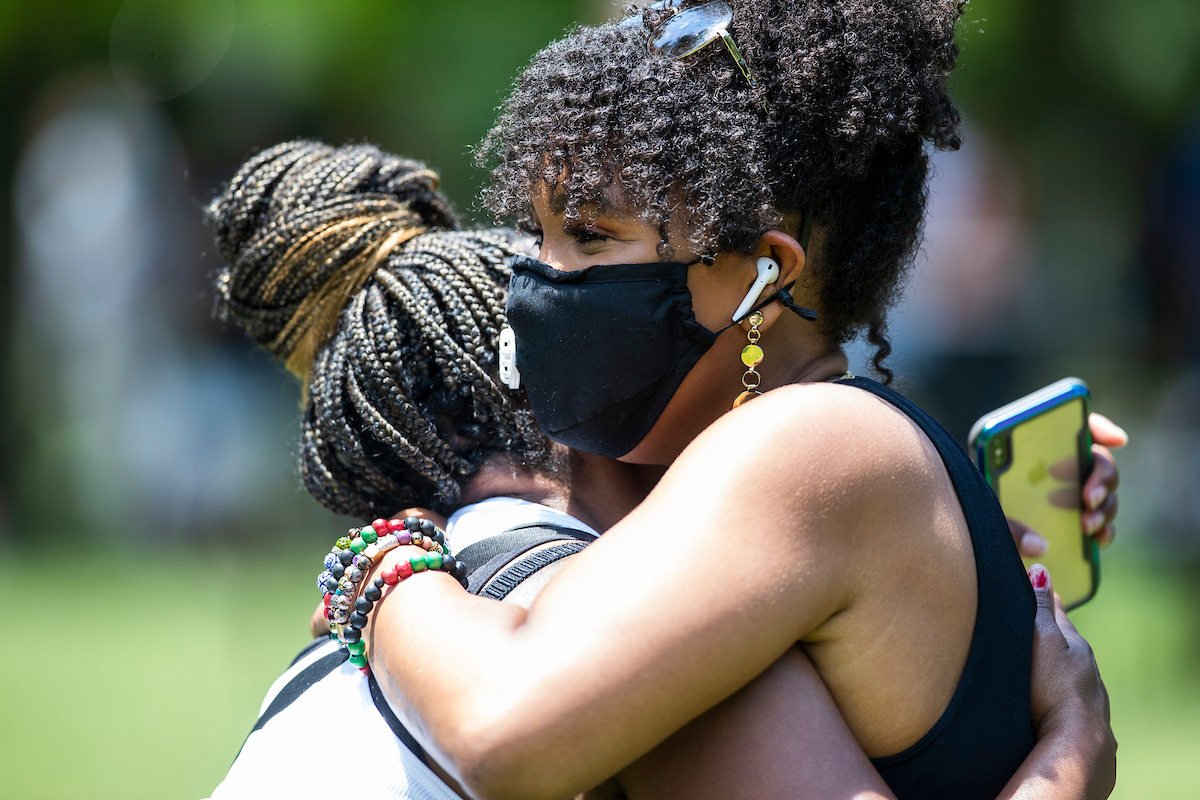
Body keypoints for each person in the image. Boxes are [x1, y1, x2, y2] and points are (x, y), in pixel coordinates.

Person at [323, 2, 1130, 799]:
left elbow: (498, 734)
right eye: (539, 235)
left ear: (762, 277)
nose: (535, 280)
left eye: (591, 236)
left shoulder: (805, 445)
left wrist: (389, 563)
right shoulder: (835, 449)